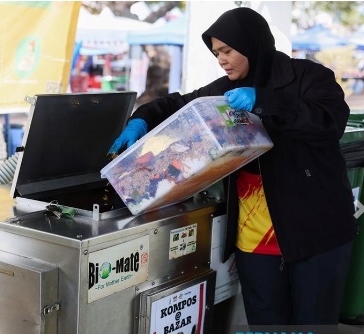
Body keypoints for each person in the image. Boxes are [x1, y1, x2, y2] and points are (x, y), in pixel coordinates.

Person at [109, 7, 358, 327]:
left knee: (313, 322)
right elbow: (174, 104)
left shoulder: (309, 77)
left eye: (227, 50)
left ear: (252, 44)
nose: (221, 60)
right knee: (266, 320)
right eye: (216, 53)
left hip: (315, 228)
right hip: (254, 234)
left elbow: (329, 124)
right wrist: (141, 119)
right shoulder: (224, 89)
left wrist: (264, 100)